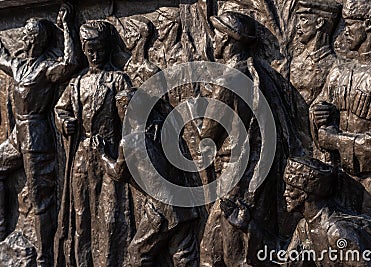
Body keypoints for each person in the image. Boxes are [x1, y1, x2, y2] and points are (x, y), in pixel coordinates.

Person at [200, 11, 302, 266]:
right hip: (258, 171)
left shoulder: (229, 78)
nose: (213, 42)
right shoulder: (259, 71)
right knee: (215, 249)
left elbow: (208, 132)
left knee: (233, 250)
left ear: (227, 40)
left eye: (216, 36)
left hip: (237, 179)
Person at [310, 0, 371, 242]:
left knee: (370, 250)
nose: (344, 30)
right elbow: (319, 108)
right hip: (339, 178)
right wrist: (317, 114)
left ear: (368, 25)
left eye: (350, 24)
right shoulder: (339, 71)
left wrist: (335, 140)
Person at [0, 3, 77, 266]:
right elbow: (1, 54)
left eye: (25, 34)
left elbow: (70, 63)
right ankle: (2, 229)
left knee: (40, 198)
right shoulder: (18, 65)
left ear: (35, 38)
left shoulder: (45, 68)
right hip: (17, 135)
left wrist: (67, 27)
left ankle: (45, 257)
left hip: (36, 135)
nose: (21, 37)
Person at [54, 20, 134, 266]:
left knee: (110, 217)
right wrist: (63, 122)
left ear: (107, 49)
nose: (95, 55)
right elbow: (60, 109)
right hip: (81, 156)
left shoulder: (118, 80)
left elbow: (131, 120)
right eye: (90, 50)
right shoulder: (76, 83)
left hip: (109, 154)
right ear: (84, 50)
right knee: (81, 216)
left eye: (99, 49)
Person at [97, 89, 201, 267]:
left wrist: (102, 154)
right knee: (182, 256)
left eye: (122, 107)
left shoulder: (129, 142)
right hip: (183, 204)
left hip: (162, 210)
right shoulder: (160, 131)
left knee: (137, 253)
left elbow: (118, 173)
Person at [284, 157, 371, 266]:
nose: (285, 194)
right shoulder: (303, 228)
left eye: (290, 190)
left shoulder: (338, 232)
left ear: (304, 194)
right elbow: (288, 263)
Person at [291, 0, 341, 106]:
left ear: (319, 23)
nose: (297, 26)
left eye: (303, 19)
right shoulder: (296, 62)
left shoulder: (335, 66)